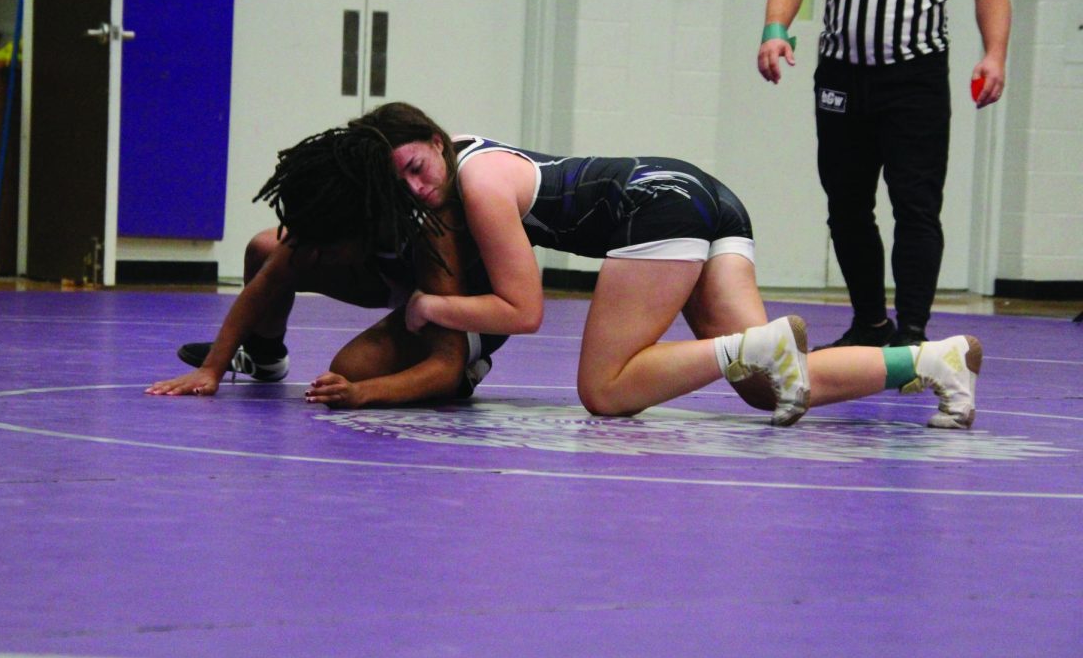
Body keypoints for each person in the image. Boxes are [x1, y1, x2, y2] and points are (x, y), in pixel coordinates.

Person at [355, 101, 980, 429]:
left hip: (656, 209)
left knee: (603, 392)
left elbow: (525, 311)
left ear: (437, 142)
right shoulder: (468, 154)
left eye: (416, 166)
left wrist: (428, 305)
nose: (414, 187)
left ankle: (749, 344)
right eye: (399, 182)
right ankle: (933, 361)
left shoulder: (480, 183)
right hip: (700, 193)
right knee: (772, 386)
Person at [757, 0, 1011, 349]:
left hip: (915, 76)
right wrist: (774, 27)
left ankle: (912, 335)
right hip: (841, 72)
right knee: (846, 205)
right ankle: (870, 324)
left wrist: (994, 54)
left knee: (916, 205)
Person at [146, 126, 503, 407]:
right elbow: (267, 282)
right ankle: (265, 355)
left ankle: (473, 370)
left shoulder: (431, 235)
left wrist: (363, 393)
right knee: (265, 248)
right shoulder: (344, 210)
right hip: (397, 280)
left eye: (326, 248)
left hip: (470, 300)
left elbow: (445, 363)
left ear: (358, 229)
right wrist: (211, 370)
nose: (316, 258)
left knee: (353, 370)